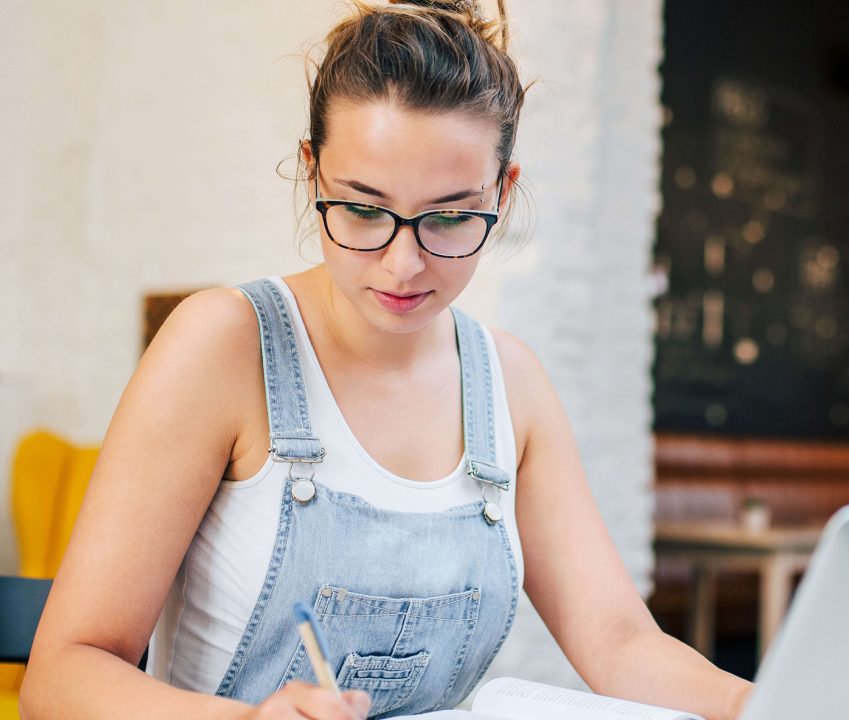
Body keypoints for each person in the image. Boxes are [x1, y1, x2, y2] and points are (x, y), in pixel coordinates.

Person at [21, 1, 753, 718]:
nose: (404, 263)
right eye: (365, 209)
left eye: (450, 216)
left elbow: (618, 639)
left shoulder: (511, 384)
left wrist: (752, 702)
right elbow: (62, 675)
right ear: (313, 174)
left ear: (503, 191)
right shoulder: (223, 345)